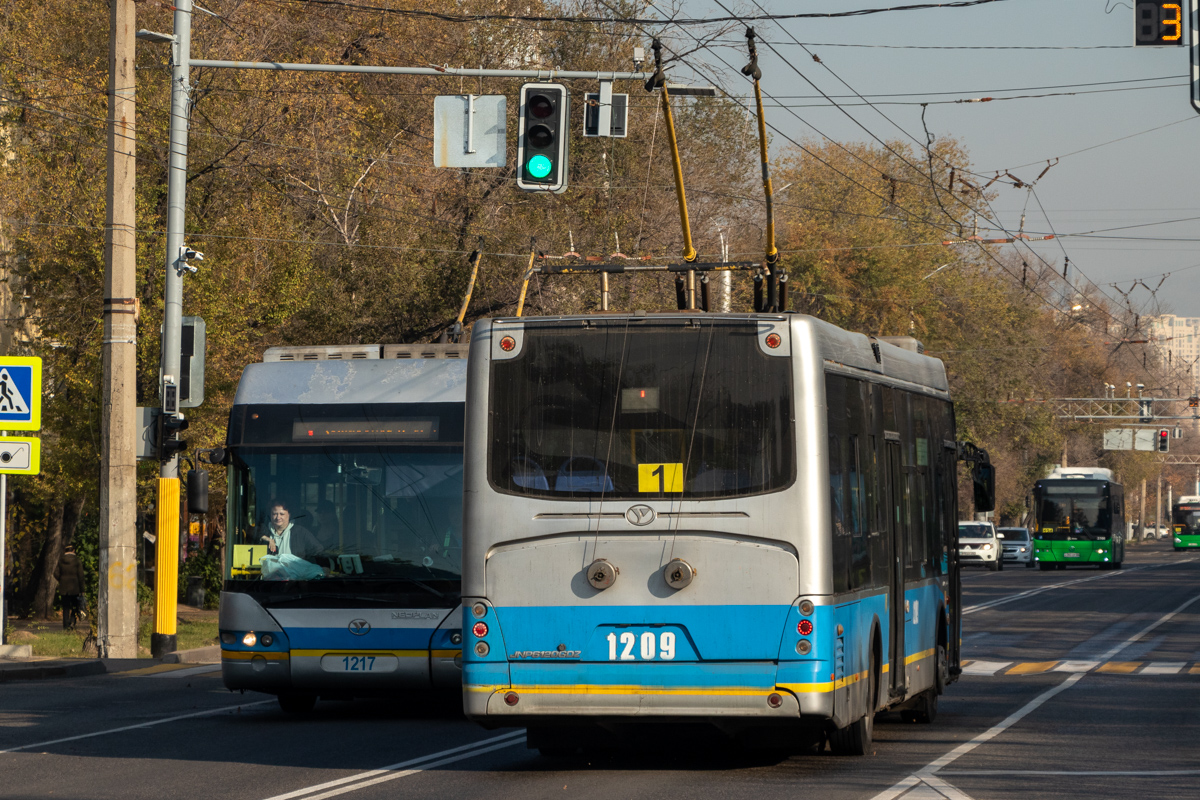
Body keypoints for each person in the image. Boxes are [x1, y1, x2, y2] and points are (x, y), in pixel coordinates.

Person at [54, 543, 86, 630]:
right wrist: (82, 589)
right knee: (75, 606)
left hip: (64, 587)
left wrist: (61, 579)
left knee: (65, 607)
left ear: (65, 551)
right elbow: (81, 575)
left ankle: (65, 625)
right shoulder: (77, 560)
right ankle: (72, 622)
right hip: (75, 587)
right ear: (73, 550)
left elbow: (55, 573)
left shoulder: (61, 560)